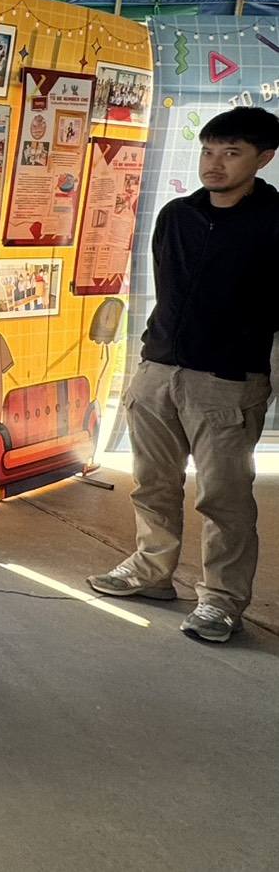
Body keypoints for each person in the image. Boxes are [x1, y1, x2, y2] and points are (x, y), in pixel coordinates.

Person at [88, 107, 279, 643]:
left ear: (264, 158)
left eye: (231, 153)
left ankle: (220, 600)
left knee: (224, 497)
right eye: (208, 151)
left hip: (227, 379)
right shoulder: (177, 215)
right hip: (159, 368)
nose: (214, 164)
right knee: (152, 482)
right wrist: (152, 358)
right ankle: (151, 571)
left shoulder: (274, 221)